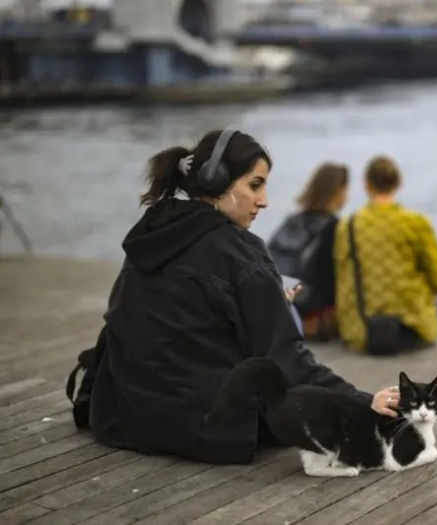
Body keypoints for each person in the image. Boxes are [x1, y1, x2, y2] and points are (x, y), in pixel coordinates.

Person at [77, 129, 399, 465]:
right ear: (217, 182)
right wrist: (363, 403)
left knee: (273, 313)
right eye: (255, 185)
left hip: (126, 417)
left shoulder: (152, 232)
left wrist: (270, 300)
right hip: (206, 428)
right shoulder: (241, 253)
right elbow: (286, 360)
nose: (264, 200)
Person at [333, 155, 437, 354]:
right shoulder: (415, 223)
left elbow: (340, 273)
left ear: (367, 185)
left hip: (362, 331)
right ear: (399, 183)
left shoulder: (348, 224)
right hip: (411, 330)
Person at [268, 162, 349, 341]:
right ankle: (314, 322)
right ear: (339, 192)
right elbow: (334, 276)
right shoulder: (334, 226)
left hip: (278, 293)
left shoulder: (292, 221)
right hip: (307, 302)